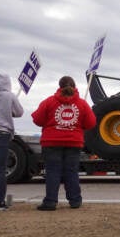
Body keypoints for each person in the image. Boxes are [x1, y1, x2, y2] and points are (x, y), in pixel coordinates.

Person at [32, 76, 96, 211]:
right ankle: (75, 201)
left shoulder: (49, 102)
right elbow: (91, 123)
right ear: (75, 86)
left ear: (59, 87)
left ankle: (50, 202)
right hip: (73, 142)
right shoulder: (82, 104)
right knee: (71, 172)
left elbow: (37, 119)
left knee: (52, 172)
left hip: (51, 142)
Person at [0, 73, 24, 211]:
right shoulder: (9, 96)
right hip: (2, 134)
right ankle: (0, 203)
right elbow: (19, 112)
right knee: (0, 170)